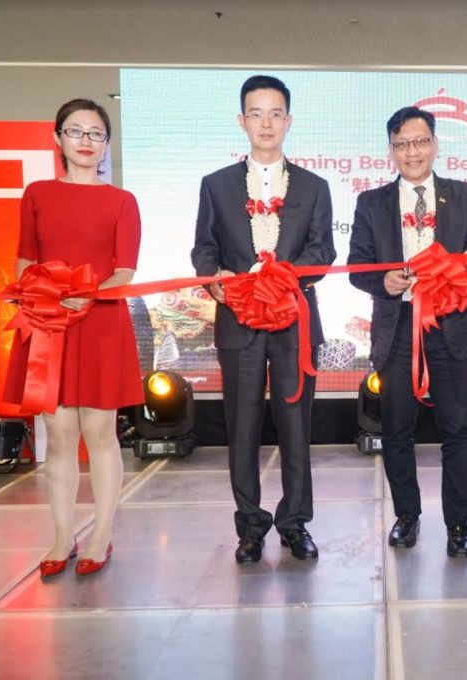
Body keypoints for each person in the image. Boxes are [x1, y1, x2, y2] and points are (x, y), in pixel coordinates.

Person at [191, 75, 335, 564]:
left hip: (295, 322)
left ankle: (295, 522)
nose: (266, 123)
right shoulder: (216, 185)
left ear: (288, 121)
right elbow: (204, 247)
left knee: (296, 425)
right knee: (243, 426)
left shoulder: (315, 186)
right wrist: (213, 277)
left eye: (276, 114)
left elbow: (323, 251)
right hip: (239, 321)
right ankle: (250, 526)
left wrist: (282, 278)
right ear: (242, 121)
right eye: (257, 113)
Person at [5, 98, 143, 577]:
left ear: (106, 144)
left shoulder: (122, 201)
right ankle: (62, 536)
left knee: (100, 434)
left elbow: (125, 269)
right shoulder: (37, 193)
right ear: (58, 138)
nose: (86, 141)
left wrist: (87, 296)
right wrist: (33, 295)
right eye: (76, 131)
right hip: (48, 324)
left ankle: (101, 533)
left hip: (100, 321)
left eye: (96, 133)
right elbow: (25, 257)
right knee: (59, 436)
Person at [348, 106, 467, 557]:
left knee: (457, 428)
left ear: (435, 144)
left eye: (420, 141)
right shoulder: (371, 203)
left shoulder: (463, 195)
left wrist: (462, 269)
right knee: (396, 430)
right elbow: (357, 267)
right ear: (391, 150)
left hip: (451, 325)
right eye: (402, 144)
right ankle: (406, 517)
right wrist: (383, 281)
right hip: (397, 327)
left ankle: (459, 525)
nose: (412, 152)